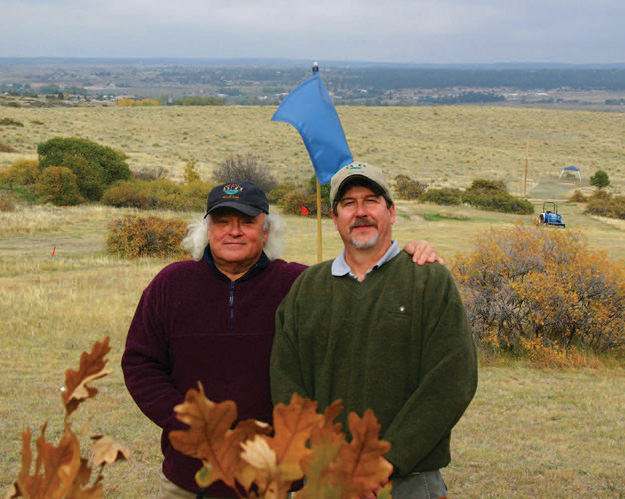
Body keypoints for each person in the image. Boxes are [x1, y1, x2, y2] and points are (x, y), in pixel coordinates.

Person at [121, 180, 442, 498]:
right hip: (190, 479)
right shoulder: (171, 285)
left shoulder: (300, 284)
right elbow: (141, 363)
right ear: (207, 230)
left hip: (282, 479)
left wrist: (408, 260)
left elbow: (364, 314)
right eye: (222, 222)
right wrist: (191, 423)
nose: (234, 231)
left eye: (247, 222)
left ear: (266, 231)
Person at [270, 163, 478, 499]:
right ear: (335, 218)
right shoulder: (307, 288)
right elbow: (286, 381)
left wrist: (384, 462)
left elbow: (452, 380)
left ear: (392, 212)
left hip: (408, 480)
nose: (361, 212)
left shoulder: (428, 280)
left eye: (372, 200)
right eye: (348, 203)